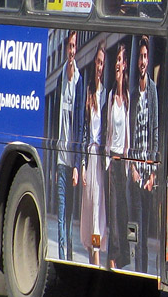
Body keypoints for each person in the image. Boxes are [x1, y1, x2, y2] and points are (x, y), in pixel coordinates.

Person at [129, 35, 159, 274]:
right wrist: (132, 167)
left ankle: (145, 273)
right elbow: (130, 131)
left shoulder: (152, 90)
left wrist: (152, 173)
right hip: (134, 170)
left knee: (145, 229)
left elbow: (155, 130)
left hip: (148, 172)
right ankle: (137, 272)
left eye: (145, 56)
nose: (142, 60)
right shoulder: (132, 91)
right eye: (140, 56)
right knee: (136, 228)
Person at [54, 30, 84, 262]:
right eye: (70, 46)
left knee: (70, 211)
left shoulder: (79, 81)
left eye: (75, 47)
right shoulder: (60, 78)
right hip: (60, 158)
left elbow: (80, 123)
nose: (72, 51)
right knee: (62, 208)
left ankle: (69, 252)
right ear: (65, 48)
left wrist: (77, 164)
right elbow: (57, 120)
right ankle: (62, 254)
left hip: (71, 160)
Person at [79, 40, 108, 267]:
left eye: (102, 64)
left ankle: (96, 252)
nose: (100, 67)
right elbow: (82, 130)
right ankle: (91, 253)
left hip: (100, 158)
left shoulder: (105, 94)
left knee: (98, 209)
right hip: (89, 157)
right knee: (89, 210)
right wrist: (81, 166)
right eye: (98, 62)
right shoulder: (88, 93)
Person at [104, 39, 131, 270]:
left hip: (125, 161)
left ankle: (123, 256)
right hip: (112, 160)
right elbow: (108, 131)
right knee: (113, 212)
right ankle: (113, 255)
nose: (118, 65)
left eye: (121, 61)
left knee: (123, 210)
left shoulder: (127, 97)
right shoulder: (112, 96)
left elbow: (128, 133)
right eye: (117, 61)